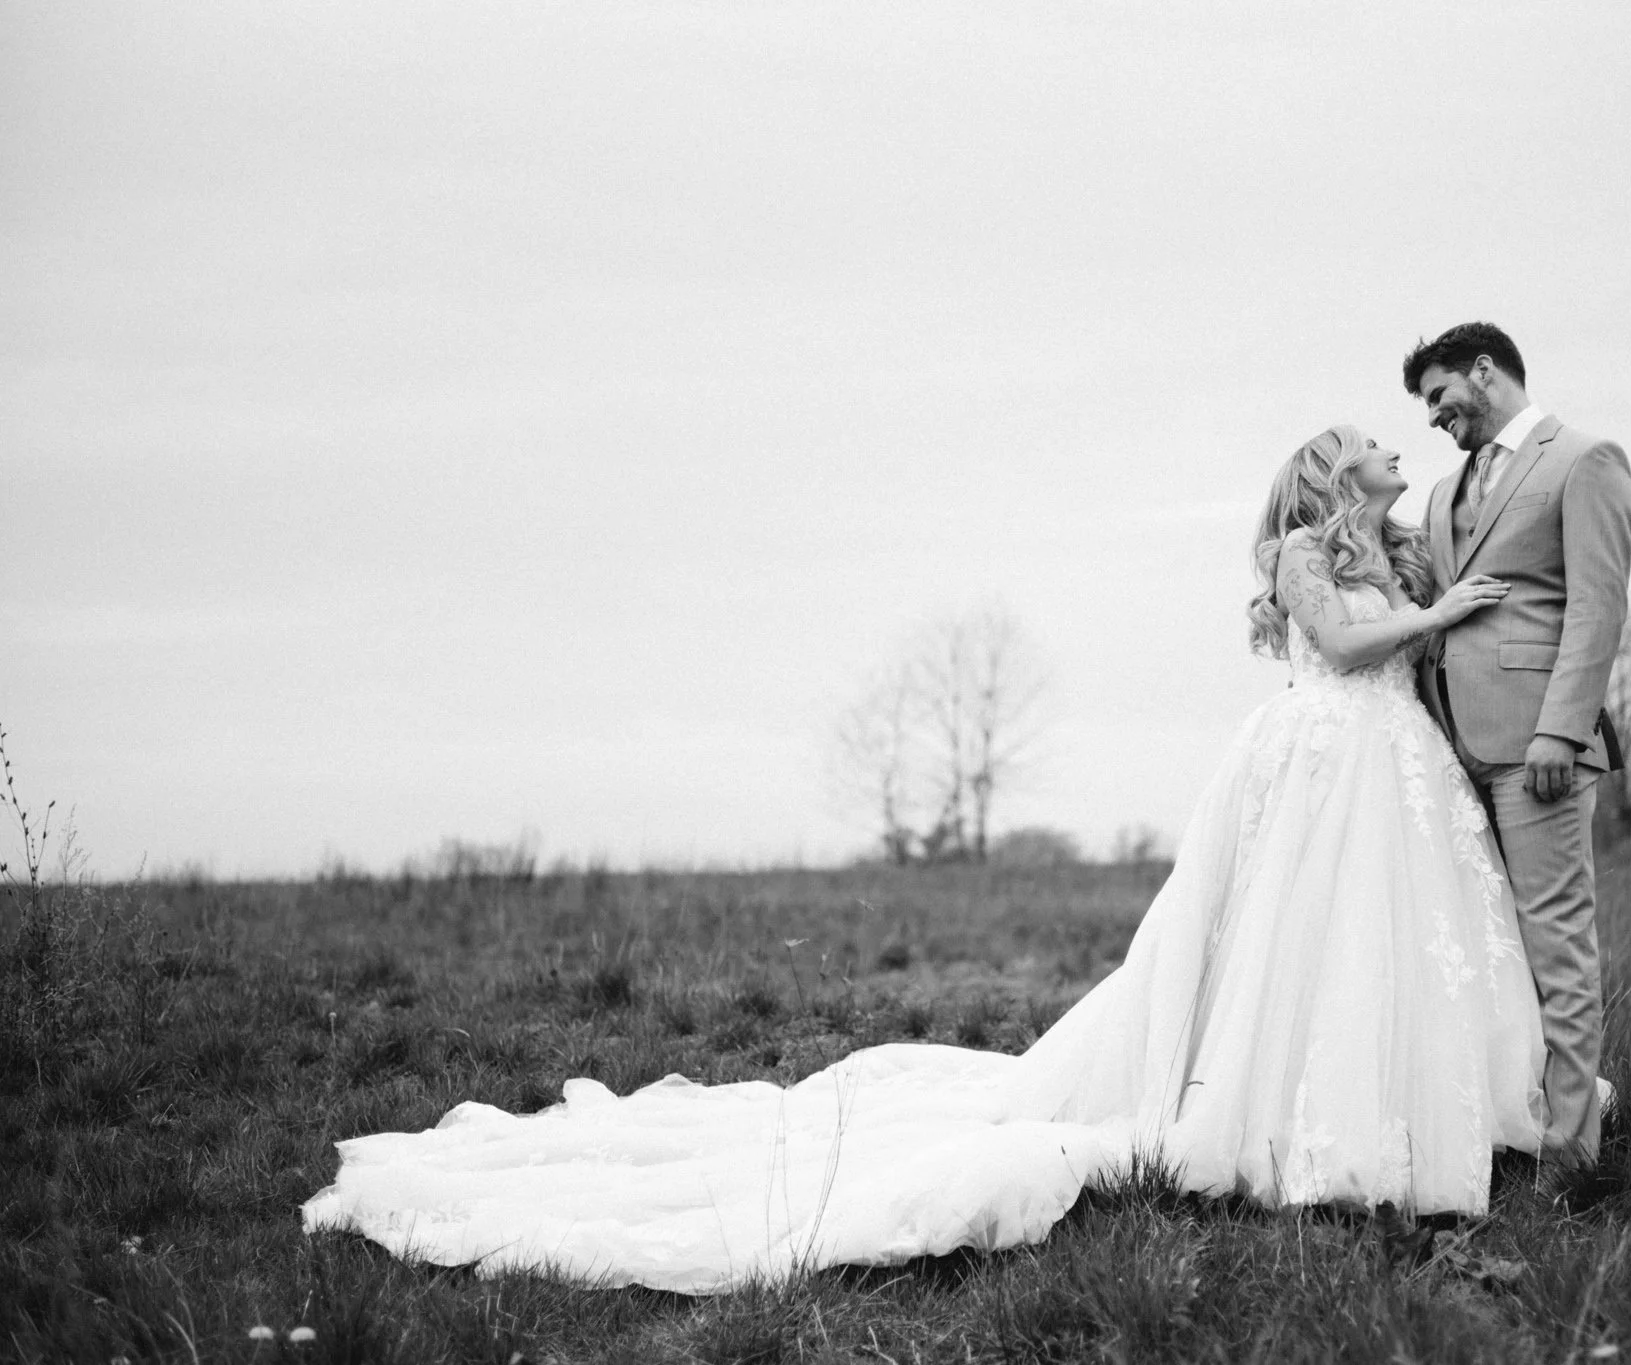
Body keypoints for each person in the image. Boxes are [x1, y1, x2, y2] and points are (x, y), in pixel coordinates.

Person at [302, 427, 1548, 1294]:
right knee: (1289, 937)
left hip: (1395, 768)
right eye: (1367, 440)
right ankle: (1284, 1128)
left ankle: (1405, 1119)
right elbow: (1345, 647)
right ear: (1329, 468)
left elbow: (1412, 647)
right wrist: (1438, 614)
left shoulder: (1402, 549)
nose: (1390, 445)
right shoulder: (1303, 555)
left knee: (1383, 940)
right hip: (1320, 758)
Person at [1405, 322, 1631, 1184]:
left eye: (1439, 396)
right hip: (1450, 747)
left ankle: (1573, 1157)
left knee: (1556, 946)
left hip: (1539, 747)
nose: (1434, 416)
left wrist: (1561, 730)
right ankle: (1502, 1125)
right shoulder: (1442, 492)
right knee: (1483, 946)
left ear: (1484, 370)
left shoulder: (1583, 460)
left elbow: (1598, 606)